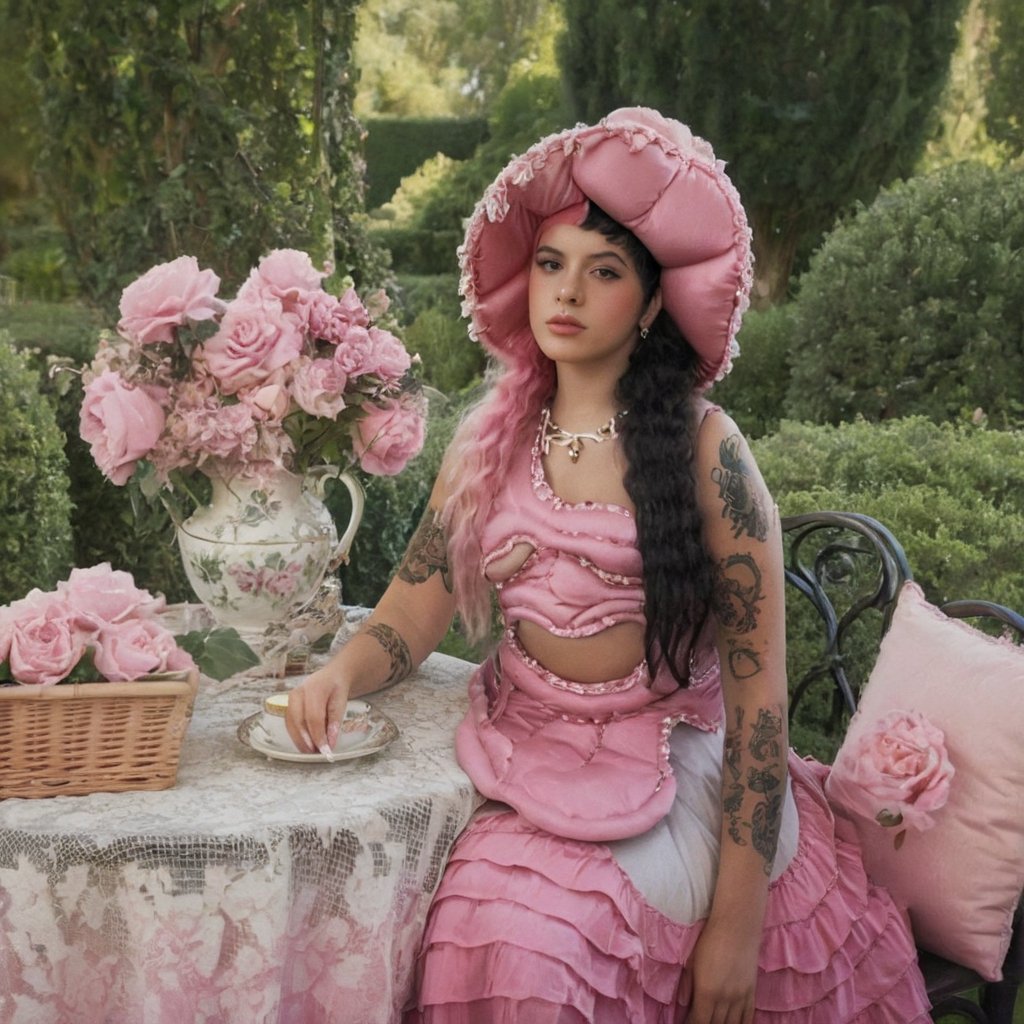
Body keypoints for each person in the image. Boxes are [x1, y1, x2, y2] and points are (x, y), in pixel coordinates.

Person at [287, 108, 931, 1023]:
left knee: (537, 942)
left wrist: (736, 925)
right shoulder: (488, 441)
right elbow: (411, 613)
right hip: (528, 749)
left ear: (656, 299)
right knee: (457, 917)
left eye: (605, 271)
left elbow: (759, 707)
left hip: (681, 764)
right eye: (551, 265)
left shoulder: (710, 451)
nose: (568, 293)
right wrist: (341, 673)